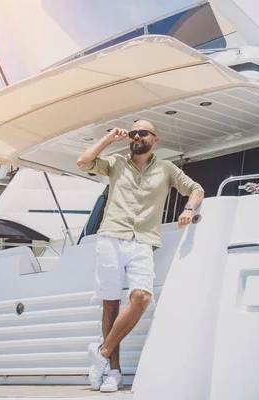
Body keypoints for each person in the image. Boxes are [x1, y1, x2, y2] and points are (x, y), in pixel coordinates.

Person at [76, 119, 204, 392]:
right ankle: (114, 372)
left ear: (154, 139)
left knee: (141, 297)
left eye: (141, 133)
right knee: (110, 304)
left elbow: (196, 189)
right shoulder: (116, 162)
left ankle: (101, 354)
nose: (135, 137)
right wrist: (109, 138)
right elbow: (84, 162)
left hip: (143, 241)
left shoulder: (167, 168)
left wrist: (189, 209)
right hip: (111, 236)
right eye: (132, 133)